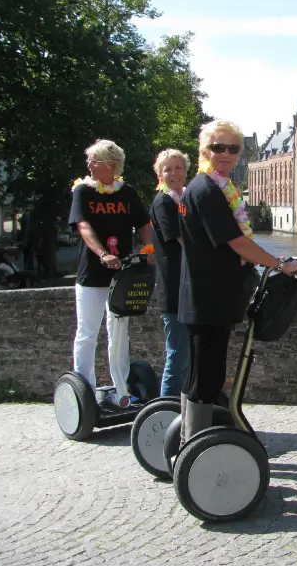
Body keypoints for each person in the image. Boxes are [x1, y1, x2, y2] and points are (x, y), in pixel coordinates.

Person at [176, 119, 297, 447]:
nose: (227, 154)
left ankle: (194, 441)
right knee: (206, 378)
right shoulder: (205, 190)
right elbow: (237, 242)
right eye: (218, 147)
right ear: (204, 150)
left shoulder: (217, 188)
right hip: (208, 299)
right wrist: (279, 264)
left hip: (216, 298)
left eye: (234, 148)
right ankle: (195, 447)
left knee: (206, 374)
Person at [69, 139, 154, 408]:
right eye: (90, 161)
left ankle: (121, 389)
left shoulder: (126, 193)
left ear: (110, 165)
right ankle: (85, 390)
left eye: (94, 160)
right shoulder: (83, 191)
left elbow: (144, 224)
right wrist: (102, 253)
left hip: (123, 275)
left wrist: (149, 248)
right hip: (92, 274)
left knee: (119, 332)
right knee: (88, 332)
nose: (89, 165)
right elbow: (83, 226)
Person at [150, 149, 191, 398]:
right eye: (168, 169)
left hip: (187, 289)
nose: (174, 173)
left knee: (185, 356)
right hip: (174, 290)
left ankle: (183, 412)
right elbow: (182, 240)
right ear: (159, 174)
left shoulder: (183, 200)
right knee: (177, 356)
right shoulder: (164, 202)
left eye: (179, 168)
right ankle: (165, 412)